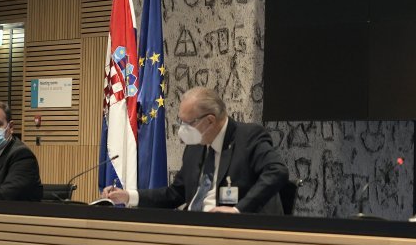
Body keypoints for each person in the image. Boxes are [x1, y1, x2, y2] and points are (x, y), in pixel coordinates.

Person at [102, 87, 289, 213]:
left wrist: (237, 210)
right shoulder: (195, 147)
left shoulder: (248, 137)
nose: (183, 129)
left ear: (210, 120)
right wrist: (128, 196)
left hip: (234, 234)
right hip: (193, 230)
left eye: (188, 123)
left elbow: (277, 171)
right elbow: (175, 194)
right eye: (181, 122)